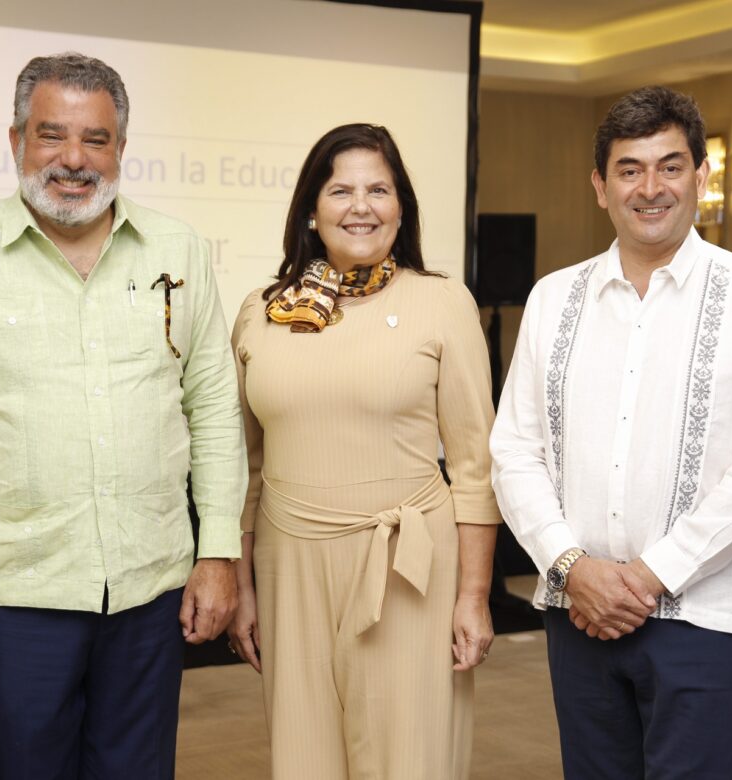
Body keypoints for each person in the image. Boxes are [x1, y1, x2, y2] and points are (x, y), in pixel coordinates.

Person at [0, 53, 246, 778]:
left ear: (121, 147)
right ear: (15, 139)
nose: (74, 160)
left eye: (97, 139)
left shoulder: (177, 250)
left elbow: (212, 407)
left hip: (150, 595)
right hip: (16, 602)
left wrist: (218, 552)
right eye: (52, 136)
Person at [489, 85, 732, 779]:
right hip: (578, 617)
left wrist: (644, 577)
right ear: (600, 187)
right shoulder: (553, 298)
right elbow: (514, 450)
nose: (651, 188)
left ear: (699, 174)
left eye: (670, 166)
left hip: (708, 623)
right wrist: (574, 569)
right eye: (629, 170)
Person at [226, 123, 500, 779]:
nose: (361, 205)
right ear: (312, 212)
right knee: (305, 756)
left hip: (408, 567)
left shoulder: (441, 302)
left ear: (400, 207)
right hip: (288, 561)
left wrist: (474, 594)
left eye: (379, 189)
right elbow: (243, 469)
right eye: (341, 189)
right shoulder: (262, 311)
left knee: (409, 758)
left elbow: (473, 466)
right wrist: (241, 585)